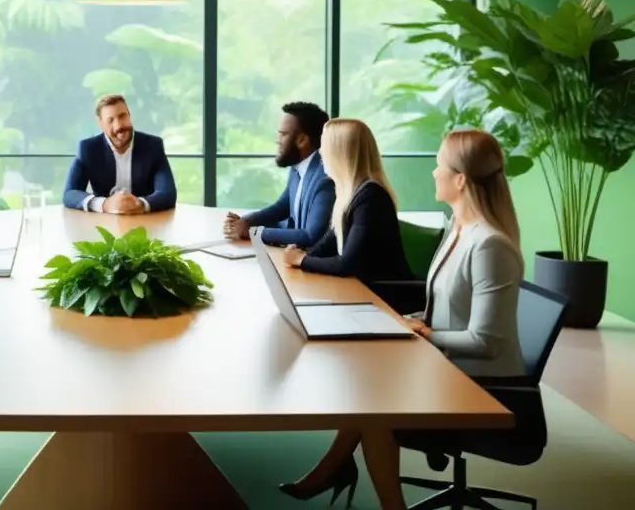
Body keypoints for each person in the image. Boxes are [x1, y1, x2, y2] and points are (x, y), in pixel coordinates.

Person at [279, 129, 525, 509]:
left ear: (460, 179)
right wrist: (411, 321)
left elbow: (487, 342)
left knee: (373, 403)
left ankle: (345, 478)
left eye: (440, 165)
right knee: (367, 387)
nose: (433, 172)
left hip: (485, 388)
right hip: (449, 368)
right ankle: (334, 469)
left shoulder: (490, 245)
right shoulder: (461, 230)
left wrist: (425, 334)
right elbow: (444, 308)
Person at [280, 118, 412, 284]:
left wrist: (302, 260)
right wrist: (299, 256)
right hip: (363, 291)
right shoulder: (351, 194)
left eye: (325, 148)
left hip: (387, 298)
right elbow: (329, 242)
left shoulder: (371, 198)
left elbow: (347, 264)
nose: (320, 154)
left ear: (340, 154)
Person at [223, 101, 334, 247]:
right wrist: (245, 221)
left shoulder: (324, 177)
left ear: (302, 141)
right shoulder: (298, 167)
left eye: (283, 134)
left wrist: (254, 231)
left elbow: (310, 235)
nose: (278, 141)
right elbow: (282, 207)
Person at [62, 93, 177, 214]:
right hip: (103, 222)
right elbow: (70, 193)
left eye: (122, 116)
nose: (119, 126)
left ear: (129, 115)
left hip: (144, 220)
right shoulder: (88, 149)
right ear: (100, 123)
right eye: (110, 120)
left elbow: (167, 192)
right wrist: (104, 204)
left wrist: (140, 204)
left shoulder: (153, 146)